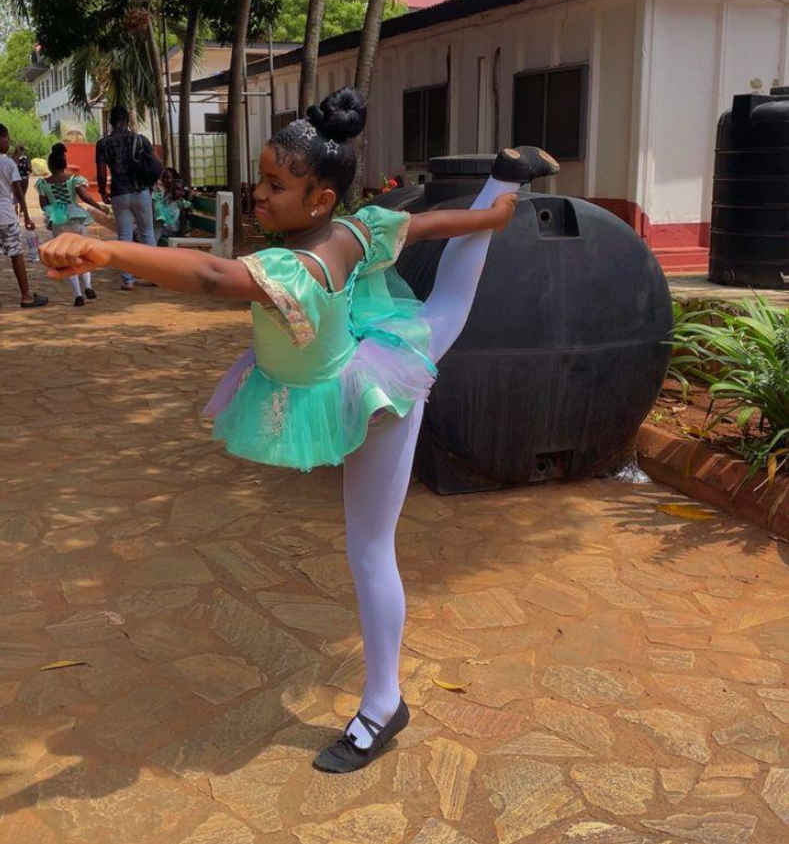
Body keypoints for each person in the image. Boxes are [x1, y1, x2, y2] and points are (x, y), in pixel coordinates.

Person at [40, 87, 558, 773]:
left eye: (276, 185)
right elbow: (434, 225)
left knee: (369, 547)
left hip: (371, 397)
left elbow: (208, 273)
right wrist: (491, 211)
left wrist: (113, 255)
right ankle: (504, 177)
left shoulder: (298, 266)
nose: (258, 195)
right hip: (369, 346)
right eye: (261, 178)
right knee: (448, 303)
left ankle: (382, 704)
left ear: (318, 198)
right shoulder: (354, 226)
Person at [37, 143, 109, 306]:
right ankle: (88, 286)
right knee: (83, 254)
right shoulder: (73, 179)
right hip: (77, 218)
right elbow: (85, 196)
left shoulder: (43, 183)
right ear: (64, 164)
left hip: (58, 221)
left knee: (66, 257)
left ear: (49, 165)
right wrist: (100, 207)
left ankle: (77, 295)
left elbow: (43, 204)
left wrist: (54, 209)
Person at [96, 105, 157, 290]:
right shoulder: (139, 139)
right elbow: (154, 162)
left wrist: (102, 191)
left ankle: (128, 280)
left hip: (119, 193)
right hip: (141, 191)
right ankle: (156, 275)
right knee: (147, 233)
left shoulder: (103, 143)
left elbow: (100, 173)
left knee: (125, 236)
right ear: (126, 120)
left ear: (111, 121)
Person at [0, 124, 47, 309]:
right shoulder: (8, 164)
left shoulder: (9, 161)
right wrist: (26, 216)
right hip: (6, 216)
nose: (8, 141)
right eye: (5, 138)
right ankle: (26, 296)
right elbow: (18, 192)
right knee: (16, 254)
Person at [153, 178, 191, 246]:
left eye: (178, 189)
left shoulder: (181, 204)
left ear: (183, 192)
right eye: (173, 189)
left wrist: (180, 240)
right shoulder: (168, 198)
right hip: (164, 227)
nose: (175, 191)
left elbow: (182, 223)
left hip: (172, 231)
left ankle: (152, 248)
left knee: (155, 230)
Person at [12, 144, 31, 214]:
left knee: (15, 195)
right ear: (22, 151)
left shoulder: (12, 159)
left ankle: (16, 208)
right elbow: (29, 169)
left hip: (15, 180)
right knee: (23, 195)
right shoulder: (26, 158)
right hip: (24, 179)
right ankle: (21, 210)